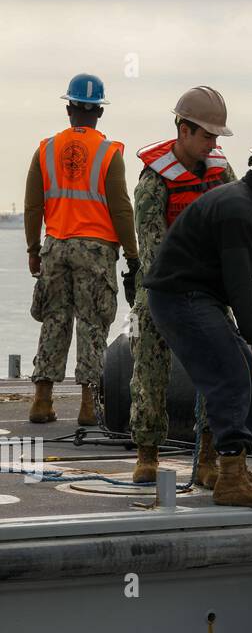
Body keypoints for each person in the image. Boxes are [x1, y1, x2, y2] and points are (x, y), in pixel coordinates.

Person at [145, 134, 252, 510]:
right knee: (233, 371)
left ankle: (236, 467)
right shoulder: (239, 208)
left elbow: (237, 280)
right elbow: (241, 283)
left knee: (244, 370)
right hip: (180, 298)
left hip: (195, 296)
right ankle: (230, 480)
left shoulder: (247, 201)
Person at [130, 86, 236, 485]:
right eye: (207, 136)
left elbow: (235, 227)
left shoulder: (222, 173)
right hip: (161, 286)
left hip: (206, 287)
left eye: (215, 137)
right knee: (148, 368)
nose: (212, 144)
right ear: (183, 130)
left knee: (219, 365)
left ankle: (209, 454)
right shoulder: (153, 180)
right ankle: (148, 452)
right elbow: (152, 247)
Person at [25, 73, 139, 428]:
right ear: (98, 113)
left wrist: (33, 248)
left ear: (69, 108)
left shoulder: (45, 149)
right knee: (92, 324)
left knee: (54, 320)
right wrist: (133, 256)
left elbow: (33, 205)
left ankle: (42, 400)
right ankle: (89, 406)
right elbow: (121, 208)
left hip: (55, 246)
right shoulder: (109, 153)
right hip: (96, 250)